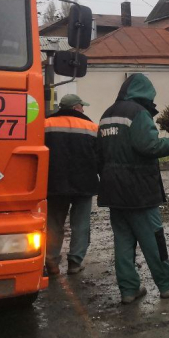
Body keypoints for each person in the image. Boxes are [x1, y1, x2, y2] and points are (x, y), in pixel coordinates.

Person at [96, 73, 169, 304]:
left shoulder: (107, 114)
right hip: (138, 191)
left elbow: (98, 154)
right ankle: (168, 284)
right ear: (145, 93)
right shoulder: (138, 113)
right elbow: (150, 145)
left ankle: (129, 290)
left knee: (123, 242)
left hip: (113, 190)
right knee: (153, 238)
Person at [44, 93, 99, 276]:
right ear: (76, 107)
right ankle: (75, 262)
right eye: (82, 106)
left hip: (54, 184)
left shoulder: (46, 124)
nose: (83, 109)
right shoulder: (91, 127)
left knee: (53, 223)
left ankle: (51, 262)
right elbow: (100, 156)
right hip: (84, 184)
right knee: (80, 224)